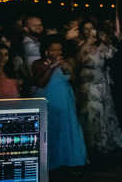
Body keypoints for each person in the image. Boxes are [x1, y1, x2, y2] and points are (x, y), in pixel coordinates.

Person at [33, 36, 87, 169]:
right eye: (53, 50)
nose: (57, 53)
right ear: (46, 51)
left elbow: (75, 80)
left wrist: (69, 69)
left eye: (59, 50)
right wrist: (52, 66)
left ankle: (70, 160)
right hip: (49, 100)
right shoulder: (38, 63)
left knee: (67, 128)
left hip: (65, 100)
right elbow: (40, 82)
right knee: (51, 129)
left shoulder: (66, 62)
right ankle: (52, 163)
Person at [76, 25, 122, 155]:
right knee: (92, 113)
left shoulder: (101, 46)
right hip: (87, 84)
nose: (90, 32)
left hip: (102, 82)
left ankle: (106, 142)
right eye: (86, 29)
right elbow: (78, 61)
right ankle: (93, 144)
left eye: (92, 29)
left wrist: (107, 41)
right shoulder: (80, 45)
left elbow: (112, 55)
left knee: (105, 111)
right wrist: (87, 44)